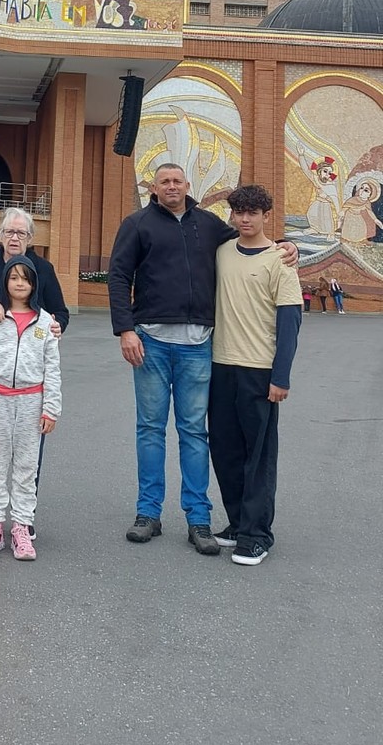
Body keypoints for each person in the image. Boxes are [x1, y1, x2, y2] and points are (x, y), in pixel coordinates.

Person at [108, 164, 244, 555]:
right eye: (164, 181)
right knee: (150, 429)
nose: (171, 186)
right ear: (154, 187)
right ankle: (148, 513)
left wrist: (285, 245)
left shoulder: (209, 225)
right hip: (150, 342)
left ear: (188, 186)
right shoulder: (137, 224)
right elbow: (118, 276)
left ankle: (198, 518)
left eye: (177, 181)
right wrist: (126, 330)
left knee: (193, 432)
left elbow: (249, 241)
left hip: (197, 344)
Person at [209, 185, 303, 566]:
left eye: (253, 213)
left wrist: (281, 377)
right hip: (220, 366)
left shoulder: (281, 260)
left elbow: (290, 324)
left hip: (260, 370)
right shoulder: (221, 253)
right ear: (232, 215)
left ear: (267, 216)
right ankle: (237, 523)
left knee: (258, 455)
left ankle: (257, 535)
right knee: (226, 451)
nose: (245, 219)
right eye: (239, 212)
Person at [0, 207, 69, 540]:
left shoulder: (44, 269)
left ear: (30, 239)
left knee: (28, 452)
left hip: (31, 374)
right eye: (9, 232)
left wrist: (56, 326)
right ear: (0, 235)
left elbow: (61, 311)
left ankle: (24, 517)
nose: (14, 238)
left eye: (21, 233)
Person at [0, 256, 61, 561]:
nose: (20, 283)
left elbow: (53, 368)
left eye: (26, 278)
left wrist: (51, 408)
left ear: (34, 284)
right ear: (5, 282)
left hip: (31, 401)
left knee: (26, 467)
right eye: (14, 278)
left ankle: (22, 526)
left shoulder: (46, 322)